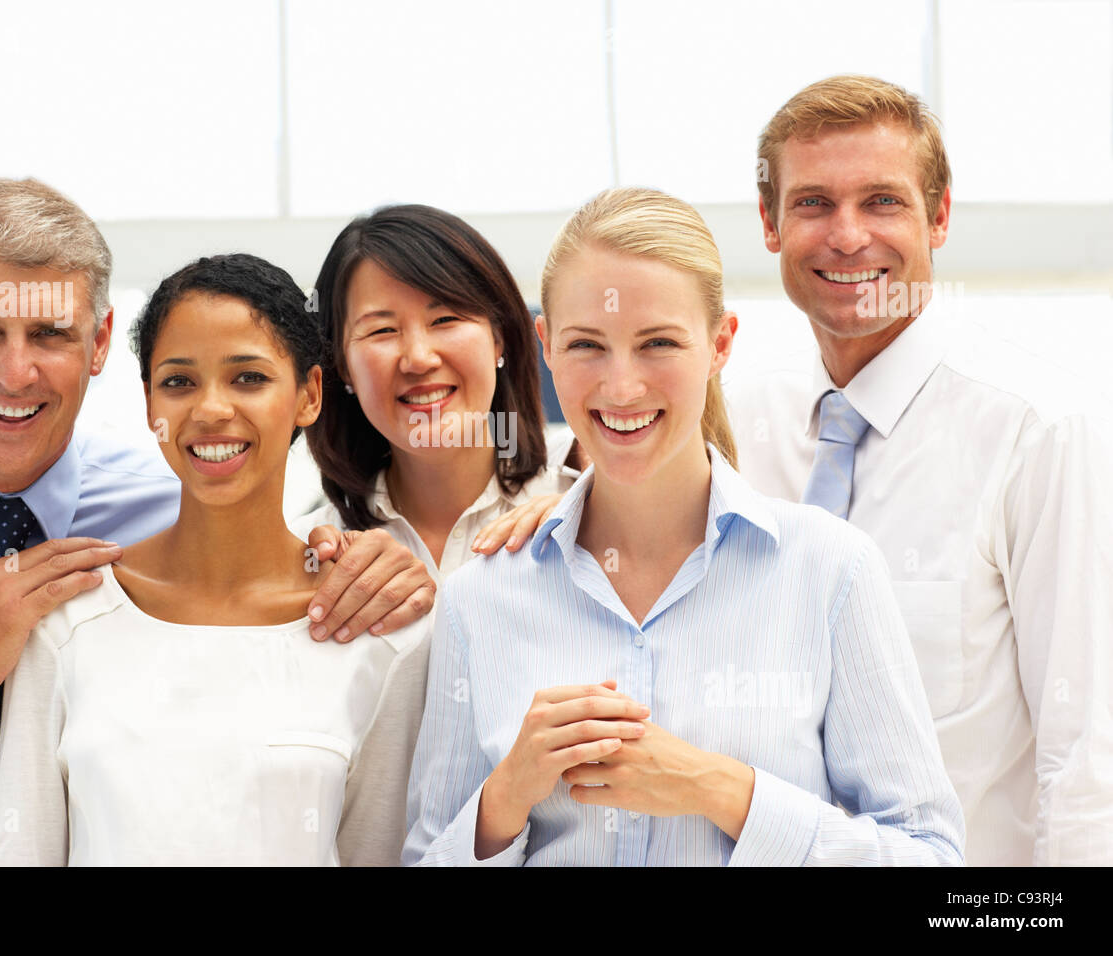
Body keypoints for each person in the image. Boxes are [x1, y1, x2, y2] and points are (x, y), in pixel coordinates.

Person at [477, 75, 1113, 867]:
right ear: (771, 225)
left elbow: (1087, 753)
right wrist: (554, 506)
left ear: (939, 217)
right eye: (813, 203)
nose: (847, 237)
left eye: (882, 201)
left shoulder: (1038, 430)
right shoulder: (738, 410)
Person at [0, 178, 435, 866]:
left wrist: (390, 560)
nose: (16, 373)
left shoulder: (173, 494)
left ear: (101, 340)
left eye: (49, 334)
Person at [403, 186, 964, 866]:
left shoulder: (828, 572)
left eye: (658, 343)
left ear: (720, 343)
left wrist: (721, 789)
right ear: (546, 346)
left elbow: (931, 857)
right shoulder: (480, 598)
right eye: (588, 345)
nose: (621, 388)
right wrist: (505, 798)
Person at [0, 253, 428, 866]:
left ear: (309, 395)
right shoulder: (65, 620)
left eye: (248, 377)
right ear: (149, 405)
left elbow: (382, 854)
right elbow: (17, 852)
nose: (211, 409)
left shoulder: (376, 630)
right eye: (179, 381)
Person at [298, 204, 579, 581]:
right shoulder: (316, 555)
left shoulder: (586, 499)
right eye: (382, 330)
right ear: (342, 365)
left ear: (499, 338)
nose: (418, 358)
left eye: (445, 319)